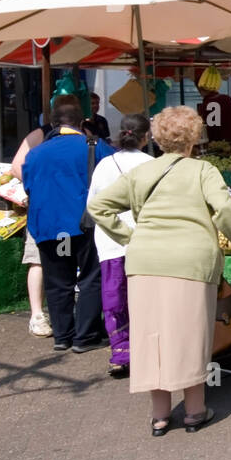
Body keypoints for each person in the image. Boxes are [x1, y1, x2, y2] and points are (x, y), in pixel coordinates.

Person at [87, 107, 231, 436]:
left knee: (150, 337)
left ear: (157, 137)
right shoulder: (203, 171)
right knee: (191, 336)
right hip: (191, 261)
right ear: (193, 137)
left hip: (145, 261)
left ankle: (160, 415)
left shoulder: (141, 173)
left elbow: (97, 206)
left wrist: (129, 237)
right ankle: (194, 411)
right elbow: (224, 211)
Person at [22, 98, 115, 352]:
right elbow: (115, 180)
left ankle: (62, 336)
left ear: (53, 123)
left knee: (57, 280)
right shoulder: (95, 145)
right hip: (84, 224)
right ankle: (85, 336)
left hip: (50, 227)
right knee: (89, 278)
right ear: (82, 122)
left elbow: (28, 186)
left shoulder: (36, 152)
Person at [86, 114, 154, 379]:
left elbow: (94, 205)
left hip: (111, 242)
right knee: (145, 298)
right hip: (146, 242)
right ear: (146, 137)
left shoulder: (104, 164)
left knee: (114, 298)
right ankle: (149, 351)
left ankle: (121, 354)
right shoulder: (152, 165)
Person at [12, 93, 84, 338]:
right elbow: (17, 166)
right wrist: (39, 186)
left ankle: (69, 317)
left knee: (64, 263)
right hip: (48, 209)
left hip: (69, 210)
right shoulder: (40, 134)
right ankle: (37, 315)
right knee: (38, 260)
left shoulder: (84, 134)